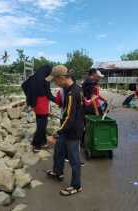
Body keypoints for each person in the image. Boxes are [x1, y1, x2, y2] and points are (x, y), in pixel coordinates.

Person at [46, 65, 84, 196]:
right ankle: (57, 172)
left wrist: (56, 134)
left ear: (61, 78)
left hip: (73, 131)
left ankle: (76, 185)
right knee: (59, 151)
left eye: (55, 80)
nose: (54, 83)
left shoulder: (72, 92)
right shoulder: (71, 89)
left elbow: (70, 117)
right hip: (68, 128)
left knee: (74, 160)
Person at [21, 65, 54, 152]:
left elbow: (23, 85)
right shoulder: (45, 80)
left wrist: (30, 96)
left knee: (41, 123)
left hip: (35, 103)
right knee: (42, 125)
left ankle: (43, 142)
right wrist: (58, 101)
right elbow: (49, 94)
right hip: (43, 103)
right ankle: (36, 144)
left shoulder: (33, 77)